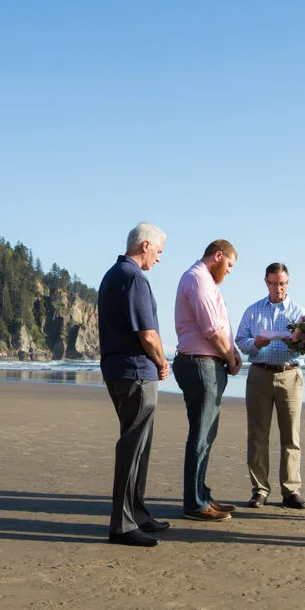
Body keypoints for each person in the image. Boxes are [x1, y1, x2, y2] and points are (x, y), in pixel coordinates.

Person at [97, 222, 172, 548]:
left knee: (138, 445)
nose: (159, 258)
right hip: (135, 372)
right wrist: (161, 361)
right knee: (132, 446)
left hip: (119, 368)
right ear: (145, 245)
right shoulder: (133, 278)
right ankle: (123, 524)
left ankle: (137, 513)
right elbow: (148, 334)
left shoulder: (114, 274)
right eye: (158, 251)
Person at [173, 239, 242, 522]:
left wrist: (231, 352)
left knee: (205, 433)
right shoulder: (198, 279)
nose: (229, 271)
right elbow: (211, 330)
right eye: (229, 265)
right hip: (200, 364)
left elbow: (219, 328)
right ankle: (195, 503)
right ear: (218, 256)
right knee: (201, 435)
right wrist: (232, 357)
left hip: (205, 364)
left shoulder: (203, 280)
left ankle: (201, 494)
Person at [235, 262, 305, 509]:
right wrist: (255, 343)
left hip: (290, 375)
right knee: (257, 434)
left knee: (291, 436)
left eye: (283, 283)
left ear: (288, 283)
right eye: (274, 283)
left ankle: (291, 491)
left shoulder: (300, 313)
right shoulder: (253, 311)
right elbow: (240, 342)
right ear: (266, 282)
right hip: (259, 374)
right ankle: (260, 490)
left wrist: (299, 343)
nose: (278, 288)